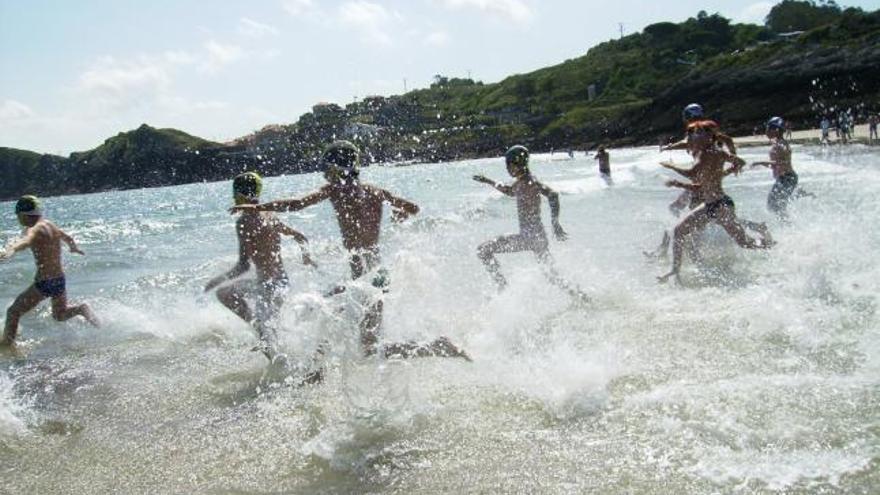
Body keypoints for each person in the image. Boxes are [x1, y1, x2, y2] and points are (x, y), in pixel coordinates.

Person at [231, 141, 469, 361]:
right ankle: (318, 368)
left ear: (335, 168)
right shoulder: (376, 191)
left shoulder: (334, 190)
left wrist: (256, 207)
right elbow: (413, 208)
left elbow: (296, 204)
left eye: (327, 169)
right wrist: (401, 214)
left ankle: (438, 346)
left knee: (338, 322)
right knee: (340, 322)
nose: (324, 174)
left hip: (365, 280)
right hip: (376, 276)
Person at [205, 172, 318, 374]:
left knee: (264, 329)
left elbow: (243, 266)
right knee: (264, 325)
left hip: (269, 287)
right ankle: (280, 352)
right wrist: (306, 257)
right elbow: (301, 237)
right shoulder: (271, 215)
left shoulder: (242, 223)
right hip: (280, 283)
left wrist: (217, 279)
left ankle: (290, 368)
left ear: (237, 195)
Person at [658, 122, 773, 284]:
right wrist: (720, 175)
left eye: (697, 133)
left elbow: (691, 173)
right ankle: (675, 271)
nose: (693, 137)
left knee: (745, 243)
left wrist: (670, 166)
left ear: (708, 137)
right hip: (710, 206)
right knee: (678, 231)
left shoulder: (708, 154)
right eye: (693, 134)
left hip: (721, 206)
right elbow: (738, 163)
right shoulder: (712, 152)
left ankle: (770, 244)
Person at [473, 145, 590, 302]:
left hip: (529, 237)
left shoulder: (530, 182)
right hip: (537, 237)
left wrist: (555, 223)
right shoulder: (522, 182)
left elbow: (553, 194)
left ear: (515, 164)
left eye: (508, 165)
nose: (507, 169)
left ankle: (502, 286)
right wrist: (488, 181)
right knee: (552, 276)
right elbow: (509, 191)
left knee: (483, 250)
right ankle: (581, 297)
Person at [1, 196, 99, 346]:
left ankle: (8, 346)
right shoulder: (49, 224)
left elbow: (26, 241)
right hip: (59, 279)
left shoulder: (34, 229)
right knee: (59, 315)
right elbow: (67, 237)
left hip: (45, 282)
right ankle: (81, 309)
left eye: (18, 216)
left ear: (23, 215)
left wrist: (12, 249)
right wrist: (73, 247)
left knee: (13, 312)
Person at [751, 117, 811, 219]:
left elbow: (781, 163)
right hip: (785, 178)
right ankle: (797, 196)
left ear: (776, 130)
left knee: (774, 205)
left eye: (769, 128)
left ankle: (788, 226)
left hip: (787, 178)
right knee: (776, 205)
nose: (766, 131)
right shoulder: (779, 143)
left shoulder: (781, 145)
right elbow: (777, 163)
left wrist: (760, 162)